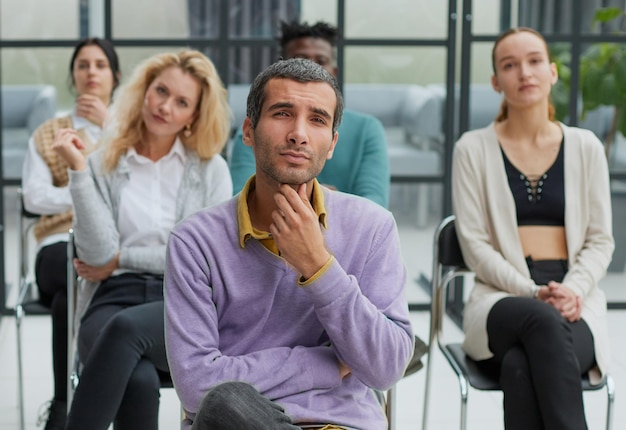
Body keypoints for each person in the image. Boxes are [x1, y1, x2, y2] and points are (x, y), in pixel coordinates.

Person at [164, 58, 414, 430]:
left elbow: (386, 369)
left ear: (331, 144)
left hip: (339, 425)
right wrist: (328, 364)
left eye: (317, 120)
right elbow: (197, 388)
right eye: (282, 113)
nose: (298, 133)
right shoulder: (194, 241)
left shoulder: (372, 227)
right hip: (238, 425)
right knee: (225, 404)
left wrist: (318, 267)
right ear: (248, 131)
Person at [52, 49, 232, 430]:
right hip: (111, 298)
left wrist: (121, 259)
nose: (165, 106)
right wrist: (79, 171)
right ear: (144, 90)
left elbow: (204, 261)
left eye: (181, 102)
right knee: (137, 377)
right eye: (160, 91)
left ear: (194, 116)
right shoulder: (103, 162)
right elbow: (96, 252)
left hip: (183, 303)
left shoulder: (211, 170)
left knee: (125, 329)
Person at [452, 27, 613, 430]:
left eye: (534, 61)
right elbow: (475, 247)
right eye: (510, 65)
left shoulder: (587, 146)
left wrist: (572, 290)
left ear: (553, 72)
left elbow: (600, 240)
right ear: (495, 81)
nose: (524, 72)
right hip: (500, 297)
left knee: (520, 367)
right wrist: (533, 292)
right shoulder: (471, 149)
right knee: (538, 322)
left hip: (577, 300)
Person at [20, 37, 120, 430]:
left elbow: (137, 189)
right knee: (70, 273)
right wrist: (82, 191)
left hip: (108, 244)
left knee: (68, 297)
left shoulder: (127, 132)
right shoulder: (49, 132)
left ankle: (66, 407)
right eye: (83, 65)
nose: (91, 72)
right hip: (58, 244)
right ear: (73, 75)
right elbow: (33, 195)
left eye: (100, 65)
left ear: (114, 76)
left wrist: (108, 131)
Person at [229, 20, 390, 208]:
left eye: (321, 61)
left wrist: (320, 199)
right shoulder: (255, 130)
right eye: (300, 60)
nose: (310, 69)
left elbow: (374, 205)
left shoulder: (367, 130)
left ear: (335, 72)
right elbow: (242, 198)